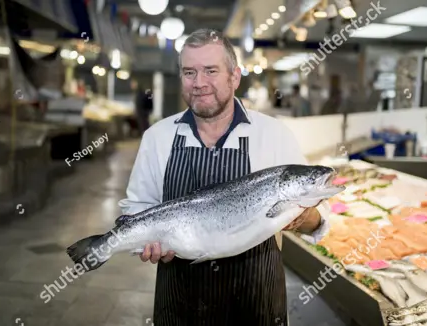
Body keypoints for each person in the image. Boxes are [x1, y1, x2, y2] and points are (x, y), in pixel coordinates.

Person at [118, 28, 330, 326]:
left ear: (235, 76)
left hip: (256, 303)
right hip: (180, 304)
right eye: (189, 72)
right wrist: (147, 244)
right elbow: (137, 209)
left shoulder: (273, 134)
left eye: (211, 71)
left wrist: (305, 217)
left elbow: (320, 218)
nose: (199, 83)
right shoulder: (158, 137)